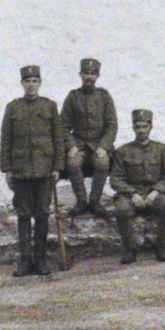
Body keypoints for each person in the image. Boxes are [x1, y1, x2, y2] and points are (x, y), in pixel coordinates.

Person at [0, 64, 67, 277]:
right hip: (21, 171)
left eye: (35, 81)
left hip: (44, 170)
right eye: (27, 81)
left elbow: (58, 138)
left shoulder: (49, 106)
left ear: (40, 83)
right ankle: (25, 260)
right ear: (22, 83)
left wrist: (57, 167)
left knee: (42, 214)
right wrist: (7, 169)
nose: (31, 85)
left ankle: (40, 260)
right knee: (23, 215)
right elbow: (5, 139)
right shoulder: (13, 108)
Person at [108, 108, 165, 265]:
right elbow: (115, 179)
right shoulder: (123, 151)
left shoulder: (161, 149)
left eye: (144, 127)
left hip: (155, 194)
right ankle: (130, 249)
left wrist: (156, 192)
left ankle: (161, 246)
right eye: (138, 127)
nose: (141, 130)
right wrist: (132, 193)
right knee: (122, 209)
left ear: (150, 127)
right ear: (133, 128)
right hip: (131, 195)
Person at [61, 57, 118, 216]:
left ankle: (94, 202)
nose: (89, 77)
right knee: (72, 163)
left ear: (97, 76)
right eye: (86, 73)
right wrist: (71, 145)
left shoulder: (104, 96)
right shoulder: (73, 97)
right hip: (78, 143)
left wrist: (104, 146)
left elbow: (112, 125)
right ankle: (81, 202)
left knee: (103, 163)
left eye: (92, 74)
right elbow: (63, 125)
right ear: (80, 75)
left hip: (98, 143)